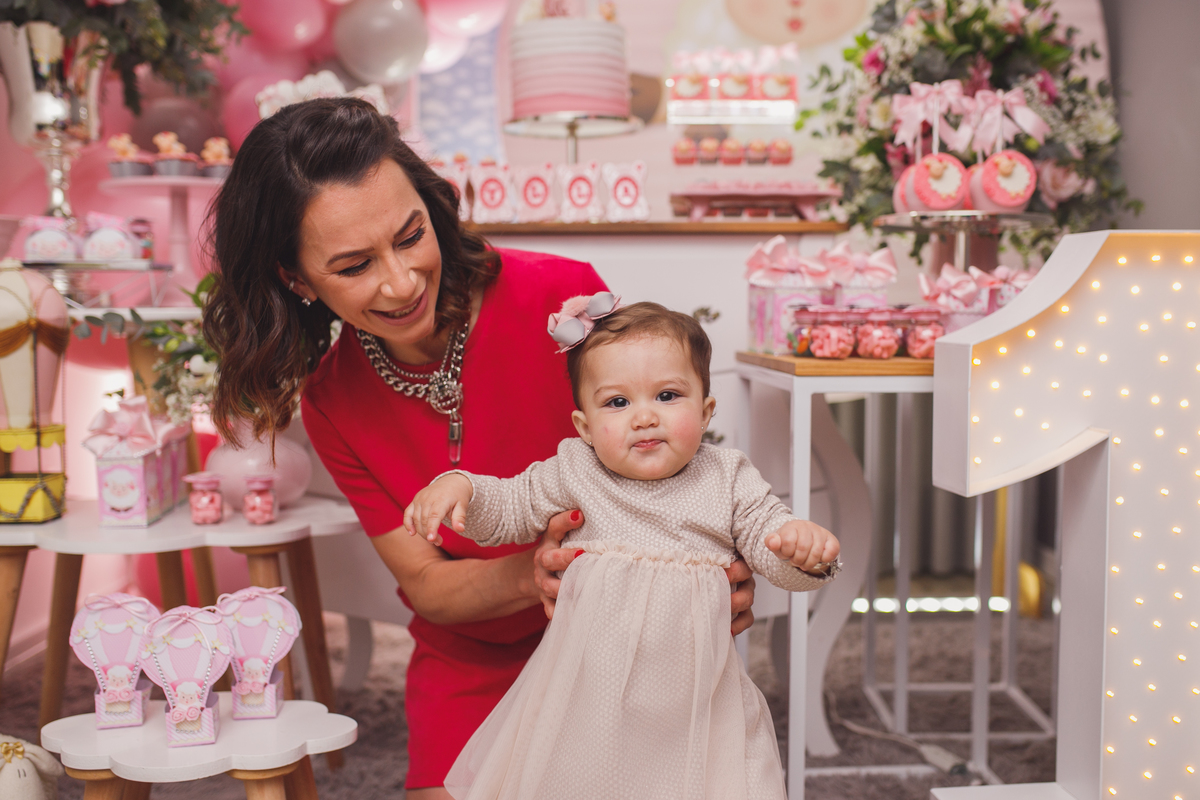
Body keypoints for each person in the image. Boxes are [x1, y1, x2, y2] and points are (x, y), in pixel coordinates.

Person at [201, 97, 758, 798]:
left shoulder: (565, 299)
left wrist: (712, 563)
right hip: (474, 659)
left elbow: (664, 460)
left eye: (410, 236)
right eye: (353, 266)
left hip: (623, 641)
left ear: (431, 210)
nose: (401, 282)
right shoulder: (332, 400)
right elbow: (431, 587)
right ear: (296, 279)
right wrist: (542, 572)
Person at [405, 299, 841, 800]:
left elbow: (769, 542)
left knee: (716, 781)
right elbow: (512, 504)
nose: (645, 417)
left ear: (705, 411)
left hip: (697, 699)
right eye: (618, 403)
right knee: (581, 781)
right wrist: (461, 487)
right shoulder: (576, 470)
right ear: (585, 426)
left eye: (668, 395)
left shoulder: (727, 477)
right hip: (590, 692)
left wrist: (802, 553)